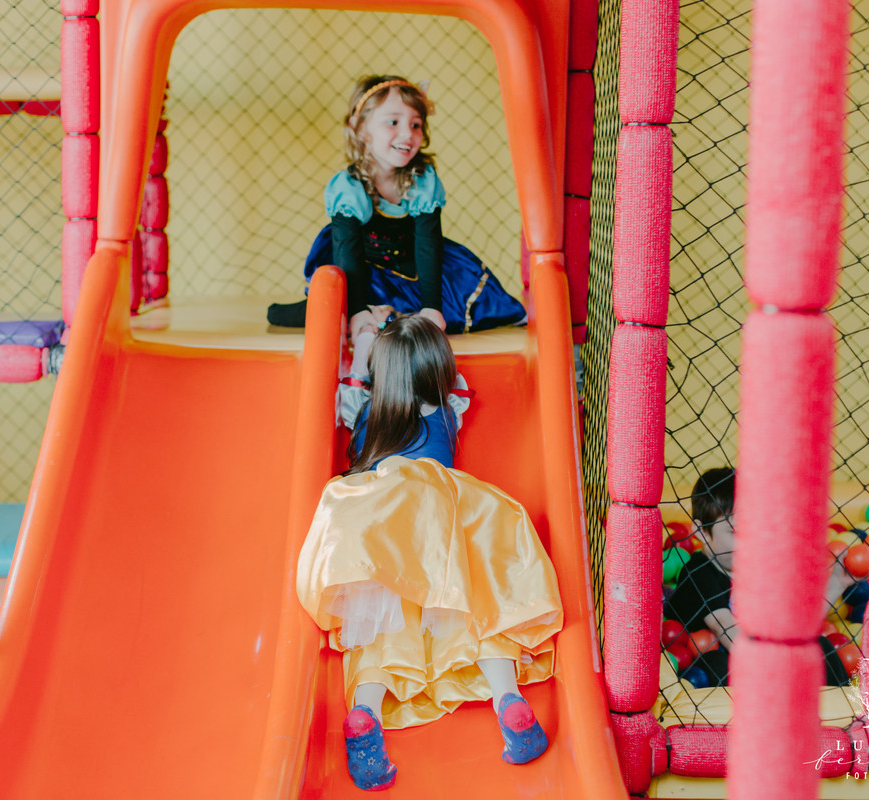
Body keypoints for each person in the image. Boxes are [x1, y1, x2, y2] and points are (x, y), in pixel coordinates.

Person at [296, 316, 561, 790]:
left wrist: (363, 342)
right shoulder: (446, 405)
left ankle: (364, 711)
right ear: (437, 371)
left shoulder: (364, 412)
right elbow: (452, 378)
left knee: (379, 624)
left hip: (383, 522)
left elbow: (352, 385)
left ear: (382, 374)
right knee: (480, 603)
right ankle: (507, 698)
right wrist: (428, 326)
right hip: (444, 509)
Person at [268, 75, 527, 336]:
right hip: (362, 267)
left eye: (416, 124)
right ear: (361, 129)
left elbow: (427, 243)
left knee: (459, 306)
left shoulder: (422, 181)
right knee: (336, 309)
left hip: (412, 262)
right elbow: (349, 253)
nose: (408, 133)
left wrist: (432, 307)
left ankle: (395, 313)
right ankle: (322, 310)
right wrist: (356, 310)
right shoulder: (349, 187)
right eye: (393, 122)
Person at [666, 467, 852, 687]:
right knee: (716, 662)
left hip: (763, 656)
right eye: (735, 532)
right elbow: (724, 627)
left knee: (820, 645)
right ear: (702, 533)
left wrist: (836, 584)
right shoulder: (699, 572)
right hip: (701, 661)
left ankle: (843, 710)